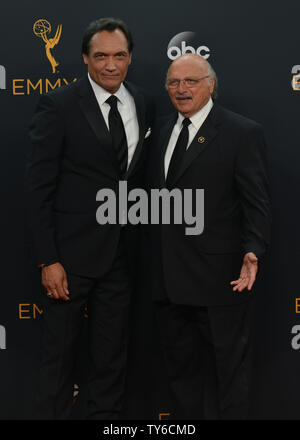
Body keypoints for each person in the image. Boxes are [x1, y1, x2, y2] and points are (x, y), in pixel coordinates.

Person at [26, 17, 154, 420]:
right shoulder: (59, 105)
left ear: (130, 58)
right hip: (69, 259)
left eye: (119, 56)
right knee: (58, 363)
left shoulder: (144, 102)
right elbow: (38, 188)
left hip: (121, 257)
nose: (110, 65)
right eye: (101, 56)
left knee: (111, 362)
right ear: (85, 58)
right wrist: (49, 259)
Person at [145, 54, 271, 419]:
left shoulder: (242, 132)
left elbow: (257, 204)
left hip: (220, 281)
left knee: (230, 375)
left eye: (191, 81)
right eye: (173, 82)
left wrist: (253, 250)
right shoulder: (161, 131)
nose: (181, 89)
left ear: (211, 84)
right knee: (180, 377)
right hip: (168, 282)